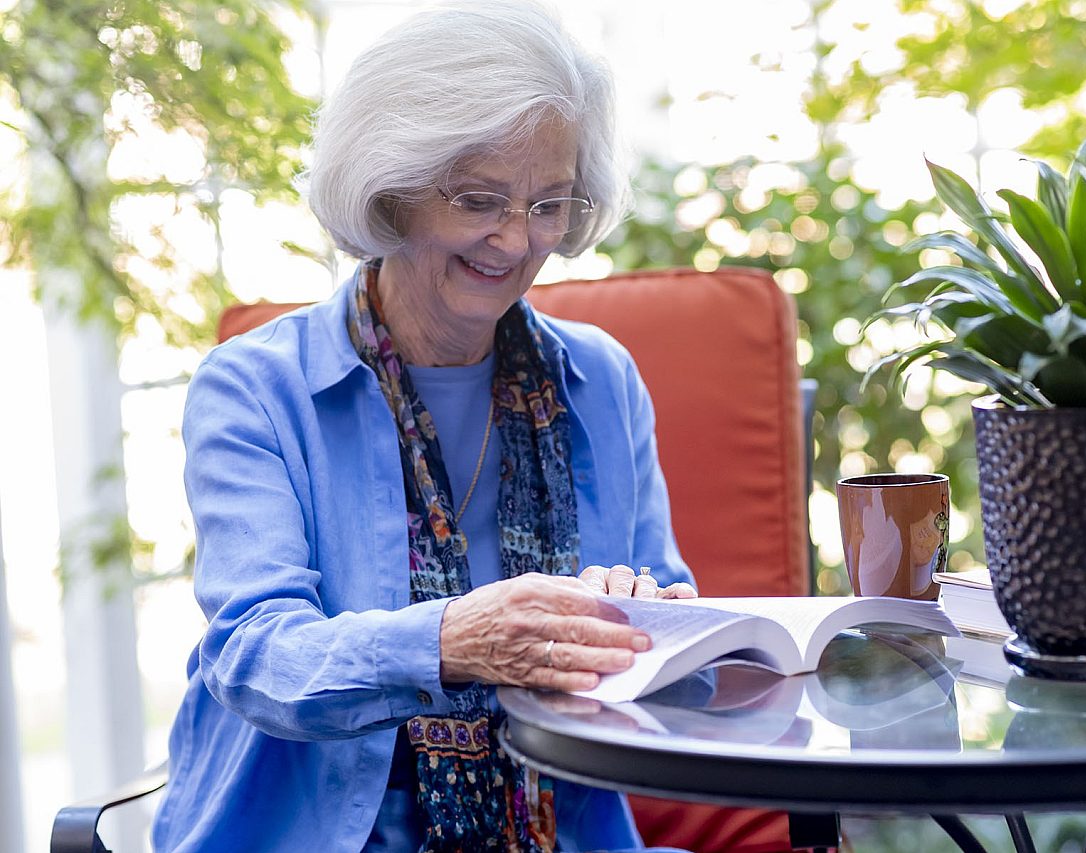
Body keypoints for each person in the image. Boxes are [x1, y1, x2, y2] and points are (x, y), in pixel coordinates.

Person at [152, 3, 698, 850]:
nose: (516, 241)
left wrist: (650, 622)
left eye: (549, 203)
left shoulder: (601, 382)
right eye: (480, 199)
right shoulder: (256, 388)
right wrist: (455, 640)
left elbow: (675, 649)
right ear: (394, 189)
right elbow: (255, 657)